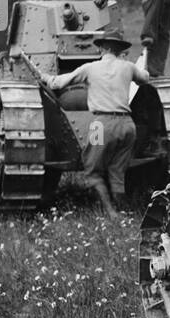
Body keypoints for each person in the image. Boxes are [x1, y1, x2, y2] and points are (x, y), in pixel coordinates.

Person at [40, 29, 150, 214]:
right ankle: (124, 210)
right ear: (118, 50)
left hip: (101, 125)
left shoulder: (90, 68)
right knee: (117, 170)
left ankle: (111, 213)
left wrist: (44, 76)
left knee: (92, 169)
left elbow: (57, 84)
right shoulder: (128, 67)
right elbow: (144, 79)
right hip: (127, 126)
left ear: (103, 49)